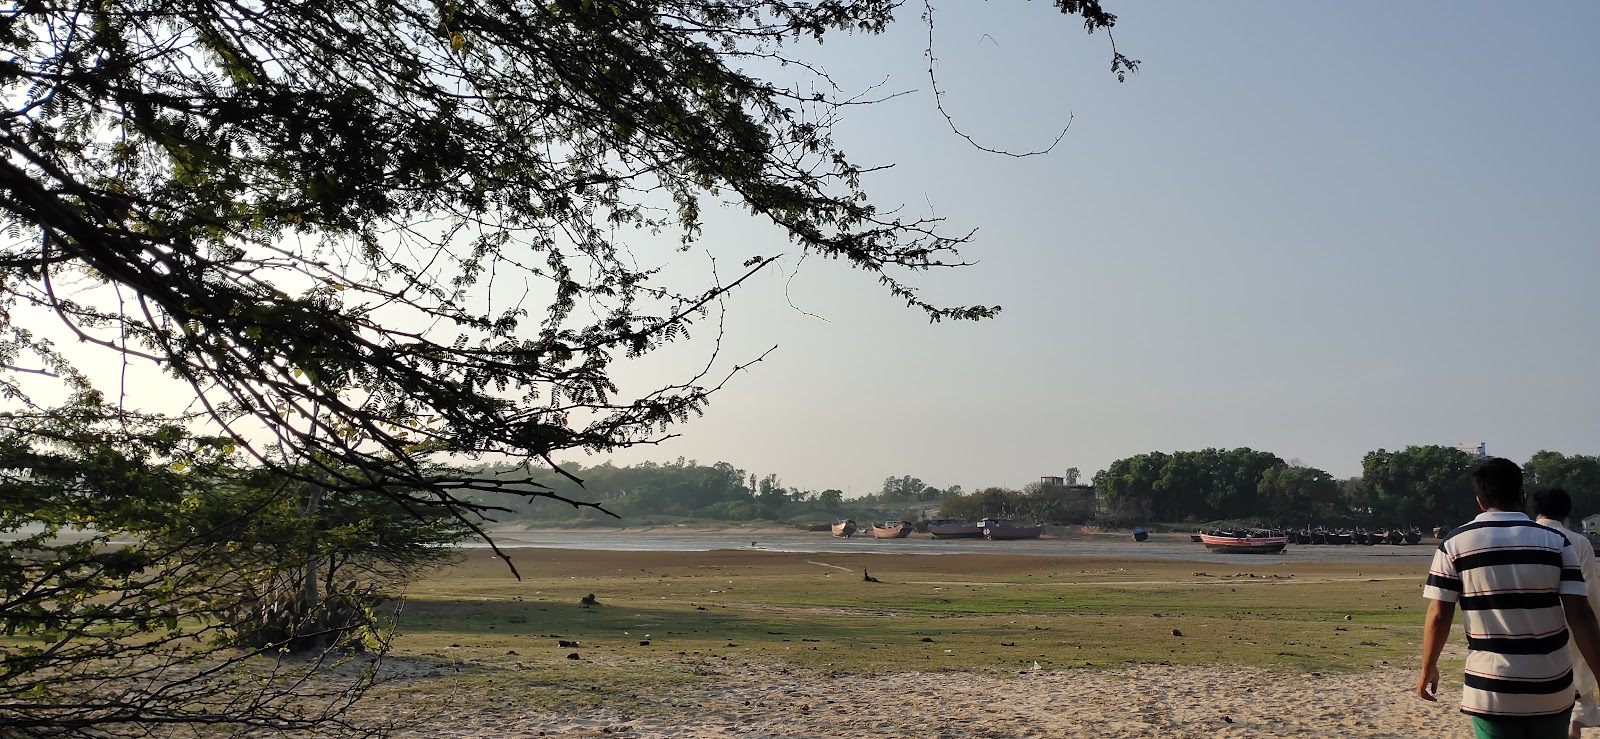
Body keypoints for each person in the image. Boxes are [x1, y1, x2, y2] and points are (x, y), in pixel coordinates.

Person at [1418, 458, 1600, 739]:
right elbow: (1581, 616)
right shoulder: (1558, 542)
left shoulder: (1454, 544)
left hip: (1491, 689)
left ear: (1480, 500)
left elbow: (1440, 615)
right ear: (1521, 495)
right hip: (1551, 686)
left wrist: (1428, 668)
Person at [1534, 488, 1600, 738]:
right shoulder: (1578, 542)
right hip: (1572, 624)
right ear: (1566, 512)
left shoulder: (1526, 536)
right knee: (1576, 688)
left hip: (1534, 624)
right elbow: (1589, 592)